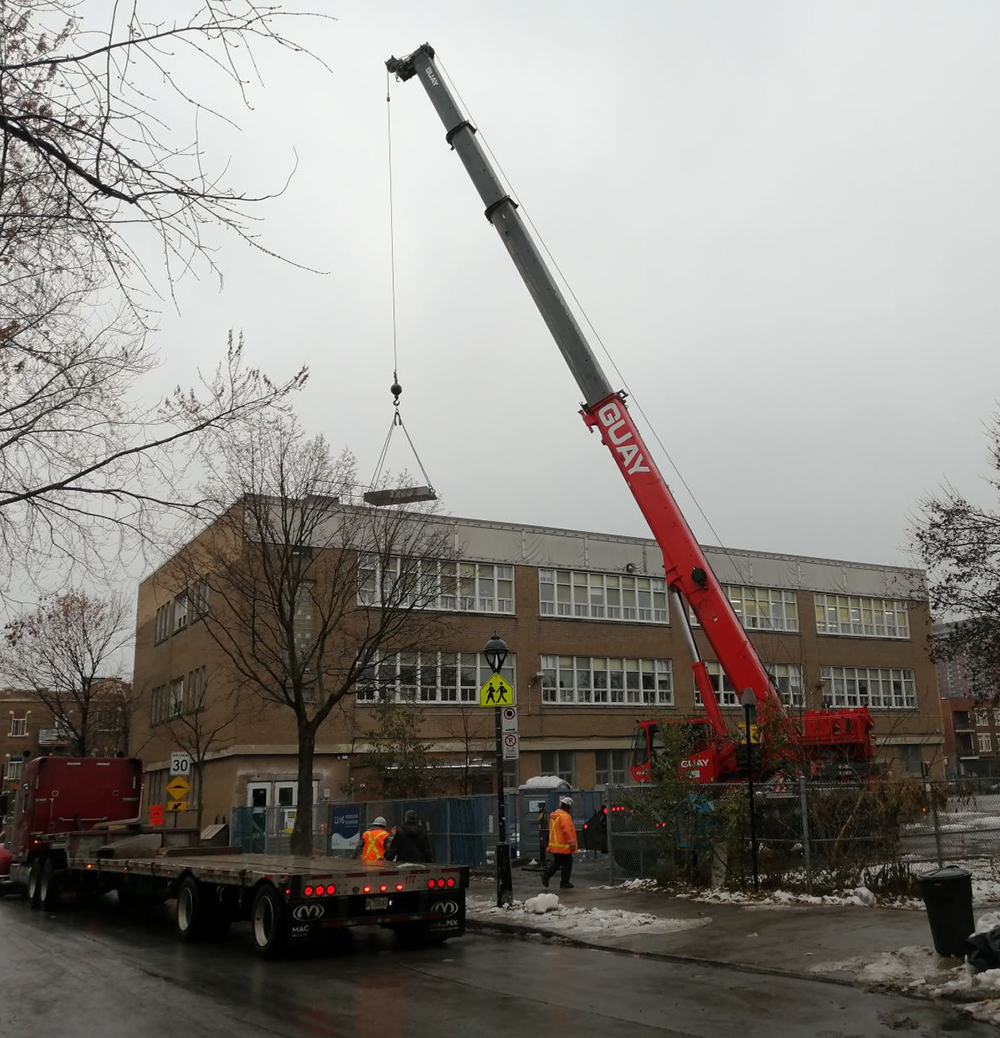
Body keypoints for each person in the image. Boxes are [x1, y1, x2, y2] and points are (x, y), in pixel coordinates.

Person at [542, 796, 578, 889]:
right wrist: (572, 845)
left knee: (557, 863)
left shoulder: (554, 816)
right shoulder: (565, 817)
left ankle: (547, 875)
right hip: (564, 846)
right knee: (567, 864)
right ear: (567, 807)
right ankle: (564, 882)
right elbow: (567, 831)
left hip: (555, 845)